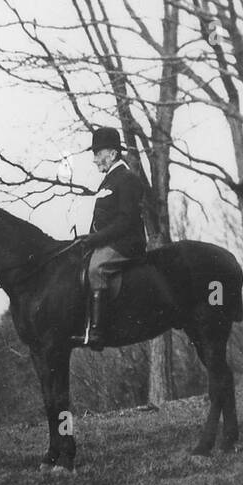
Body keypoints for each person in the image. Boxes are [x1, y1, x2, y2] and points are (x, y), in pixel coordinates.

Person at [72, 126, 161, 350]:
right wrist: (87, 239)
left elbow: (125, 220)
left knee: (96, 269)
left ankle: (97, 331)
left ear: (112, 154)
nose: (94, 160)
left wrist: (96, 240)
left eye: (97, 154)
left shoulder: (127, 179)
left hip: (126, 243)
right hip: (110, 240)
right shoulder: (109, 180)